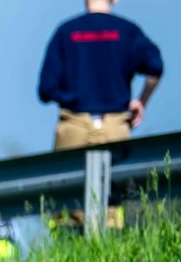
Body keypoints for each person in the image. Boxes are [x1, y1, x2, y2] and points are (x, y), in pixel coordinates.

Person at [39, 0, 164, 151]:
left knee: (67, 174)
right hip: (115, 129)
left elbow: (46, 89)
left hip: (73, 129)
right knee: (118, 175)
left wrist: (72, 99)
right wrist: (142, 101)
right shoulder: (128, 31)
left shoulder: (65, 31)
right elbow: (155, 67)